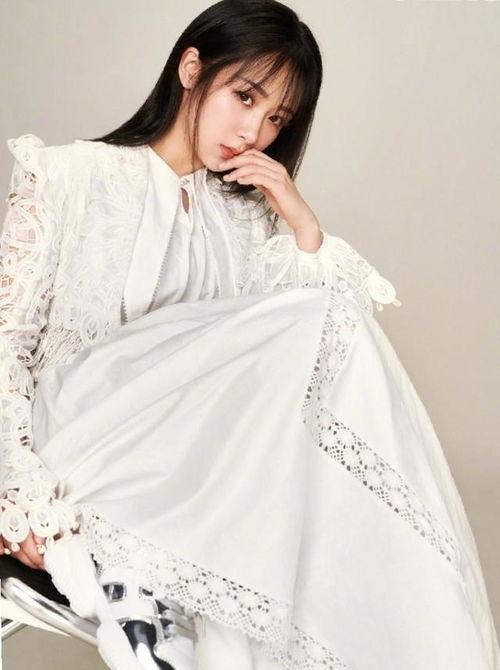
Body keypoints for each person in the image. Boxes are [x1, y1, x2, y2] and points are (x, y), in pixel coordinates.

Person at [0, 1, 498, 669]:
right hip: (74, 446)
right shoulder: (68, 176)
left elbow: (309, 364)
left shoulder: (244, 224)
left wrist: (301, 223)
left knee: (321, 329)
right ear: (191, 68)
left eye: (276, 119)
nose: (254, 132)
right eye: (244, 97)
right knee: (313, 319)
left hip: (182, 480)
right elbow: (5, 346)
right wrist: (20, 497)